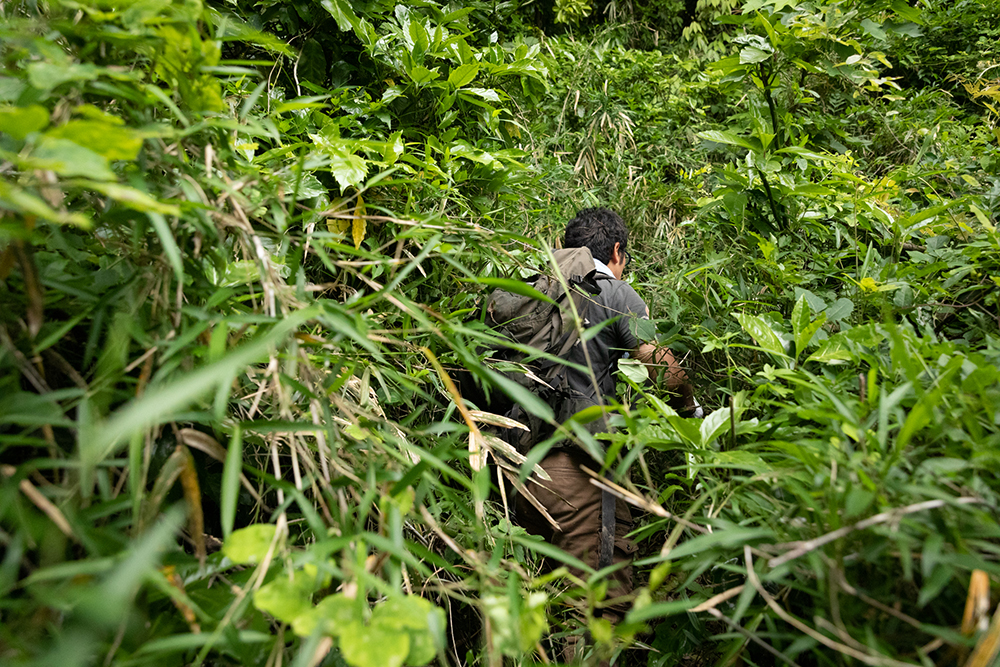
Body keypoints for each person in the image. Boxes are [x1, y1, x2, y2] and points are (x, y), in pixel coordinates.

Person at [510, 207, 693, 660]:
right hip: (575, 475)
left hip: (508, 466)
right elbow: (661, 368)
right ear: (616, 252)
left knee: (548, 599)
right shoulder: (614, 292)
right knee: (596, 611)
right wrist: (691, 408)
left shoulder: (527, 288)